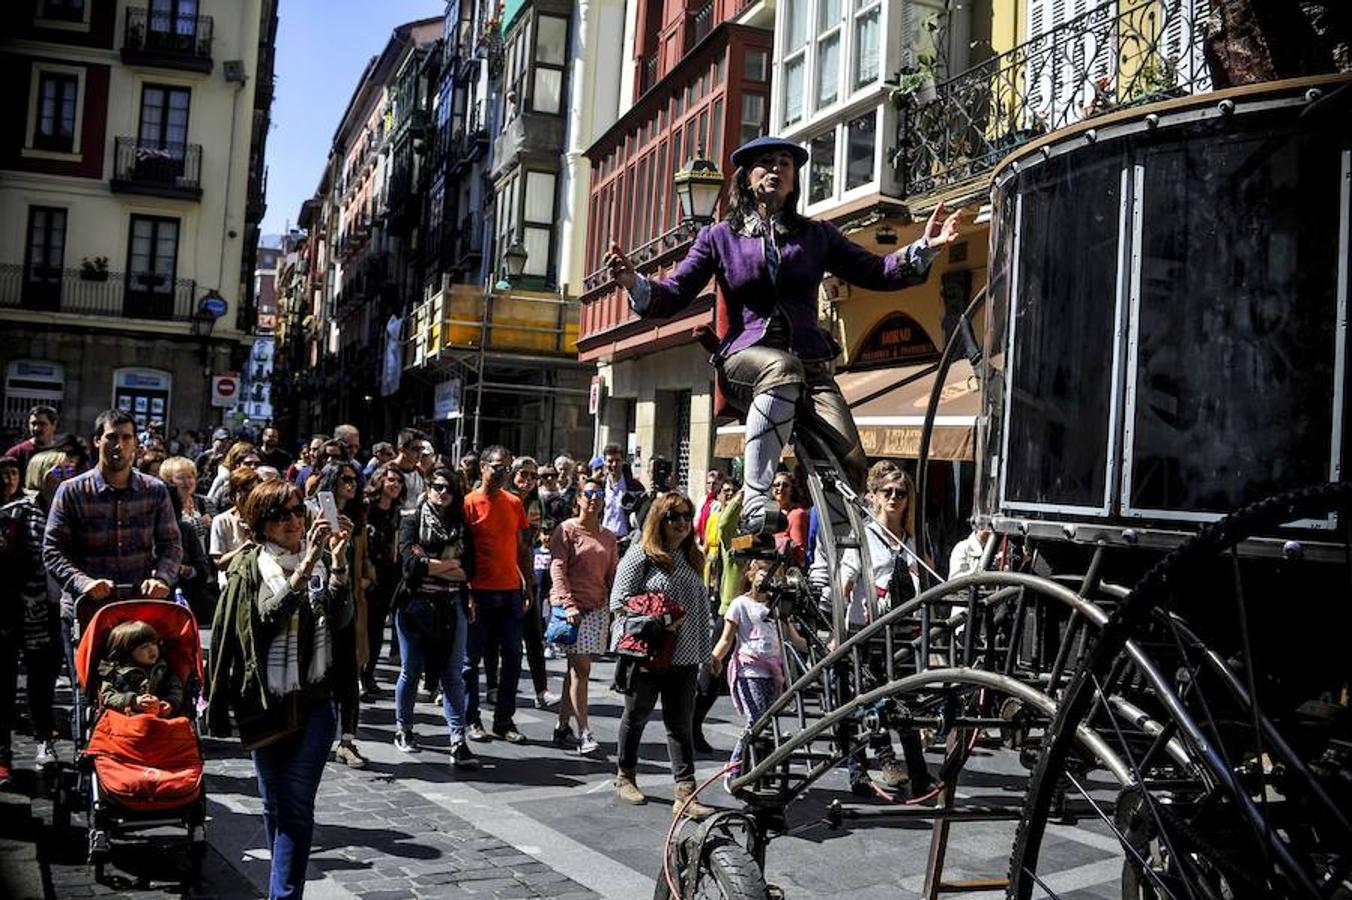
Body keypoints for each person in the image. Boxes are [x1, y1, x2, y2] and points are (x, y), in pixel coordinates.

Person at [605, 135, 962, 542]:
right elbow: (673, 295)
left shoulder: (816, 235)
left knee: (851, 461)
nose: (777, 169)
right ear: (747, 177)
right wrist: (633, 282)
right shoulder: (719, 238)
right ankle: (757, 496)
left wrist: (924, 249)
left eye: (786, 164)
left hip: (808, 365)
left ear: (794, 181)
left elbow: (876, 271)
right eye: (768, 162)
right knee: (781, 368)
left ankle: (832, 566)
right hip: (745, 361)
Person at [206, 479, 351, 900]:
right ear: (260, 524)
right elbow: (263, 619)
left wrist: (336, 567)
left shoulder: (321, 560)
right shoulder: (248, 567)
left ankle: (284, 896)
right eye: (280, 514)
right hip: (265, 701)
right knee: (273, 806)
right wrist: (304, 570)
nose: (293, 520)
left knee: (294, 804)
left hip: (316, 700)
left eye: (297, 511)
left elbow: (340, 622)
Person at [43, 410, 182, 738]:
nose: (118, 445)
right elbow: (52, 550)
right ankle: (91, 747)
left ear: (136, 444)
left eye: (126, 437)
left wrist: (162, 577)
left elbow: (171, 546)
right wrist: (84, 583)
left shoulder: (155, 490)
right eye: (111, 437)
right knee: (91, 687)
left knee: (143, 682)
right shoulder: (72, 492)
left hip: (136, 611)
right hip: (87, 611)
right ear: (97, 441)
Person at [817, 468, 934, 797]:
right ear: (877, 496)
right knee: (863, 704)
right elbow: (844, 584)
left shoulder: (913, 540)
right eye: (888, 492)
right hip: (866, 632)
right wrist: (836, 632)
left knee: (907, 704)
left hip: (904, 632)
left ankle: (919, 775)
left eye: (901, 492)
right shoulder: (864, 537)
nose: (895, 497)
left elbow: (925, 584)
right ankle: (858, 772)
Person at [610, 492, 715, 818]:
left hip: (684, 656)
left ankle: (685, 793)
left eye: (687, 516)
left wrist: (706, 649)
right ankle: (625, 775)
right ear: (660, 519)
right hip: (648, 653)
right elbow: (619, 602)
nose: (682, 523)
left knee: (680, 724)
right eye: (674, 517)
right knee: (637, 714)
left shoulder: (691, 557)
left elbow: (698, 610)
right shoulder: (641, 554)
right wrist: (663, 620)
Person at [392, 468, 478, 768]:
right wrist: (449, 563)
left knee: (453, 674)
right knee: (411, 670)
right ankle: (404, 729)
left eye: (449, 489)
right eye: (437, 486)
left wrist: (430, 562)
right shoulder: (412, 520)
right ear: (428, 488)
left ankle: (458, 739)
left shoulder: (460, 525)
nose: (442, 492)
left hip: (452, 605)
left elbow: (469, 569)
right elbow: (410, 567)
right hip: (414, 606)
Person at [709, 559, 806, 779]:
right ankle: (735, 767)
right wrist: (715, 658)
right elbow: (727, 639)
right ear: (751, 575)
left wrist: (815, 646)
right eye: (762, 572)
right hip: (749, 670)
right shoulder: (739, 604)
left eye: (773, 575)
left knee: (768, 724)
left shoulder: (778, 606)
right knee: (756, 721)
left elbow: (793, 637)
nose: (768, 578)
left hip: (774, 671)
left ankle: (761, 768)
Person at [462, 446, 531, 743]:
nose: (504, 474)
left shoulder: (514, 503)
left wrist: (527, 583)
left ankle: (504, 720)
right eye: (498, 468)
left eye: (508, 469)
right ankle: (471, 718)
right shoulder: (467, 504)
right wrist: (465, 592)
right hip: (478, 592)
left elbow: (521, 546)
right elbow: (461, 552)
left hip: (510, 592)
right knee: (470, 660)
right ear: (482, 467)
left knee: (514, 656)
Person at [549, 475, 619, 755]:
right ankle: (584, 733)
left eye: (599, 494)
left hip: (597, 609)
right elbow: (557, 568)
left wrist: (617, 605)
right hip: (572, 610)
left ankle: (562, 726)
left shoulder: (608, 536)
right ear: (578, 499)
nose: (593, 498)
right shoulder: (566, 530)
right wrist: (567, 605)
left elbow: (613, 573)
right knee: (582, 670)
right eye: (588, 493)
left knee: (574, 672)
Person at [0, 456, 60, 784]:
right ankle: (2, 755)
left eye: (13, 473)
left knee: (40, 683)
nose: (8, 479)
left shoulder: (30, 511)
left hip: (35, 610)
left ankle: (44, 739)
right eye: (3, 473)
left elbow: (43, 557)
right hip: (4, 611)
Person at [316, 460, 371, 769]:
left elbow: (363, 555)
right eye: (345, 479)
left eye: (354, 479)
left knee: (350, 672)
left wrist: (364, 578)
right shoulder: (316, 515)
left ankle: (347, 740)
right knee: (321, 668)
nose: (351, 484)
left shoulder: (357, 517)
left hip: (350, 599)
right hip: (320, 600)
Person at [510, 456, 558, 710]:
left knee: (534, 638)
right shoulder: (505, 499)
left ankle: (541, 690)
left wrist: (528, 582)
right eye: (523, 475)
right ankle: (495, 689)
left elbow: (529, 540)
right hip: (503, 576)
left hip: (526, 575)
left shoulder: (535, 501)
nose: (528, 480)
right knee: (503, 644)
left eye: (532, 476)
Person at [361, 462, 405, 695]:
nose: (396, 485)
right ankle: (358, 675)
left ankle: (369, 675)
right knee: (362, 627)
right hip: (367, 574)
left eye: (399, 481)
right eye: (391, 480)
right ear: (380, 481)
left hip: (388, 576)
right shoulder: (366, 507)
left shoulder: (396, 511)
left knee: (377, 629)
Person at [98, 620, 183, 717]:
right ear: (127, 652)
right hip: (125, 719)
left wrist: (170, 703)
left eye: (154, 643)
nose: (152, 649)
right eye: (144, 646)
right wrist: (132, 701)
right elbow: (107, 695)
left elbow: (175, 689)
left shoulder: (163, 669)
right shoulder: (115, 673)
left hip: (159, 718)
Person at [210, 468, 262, 590]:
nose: (248, 495)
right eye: (243, 490)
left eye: (252, 490)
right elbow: (219, 563)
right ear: (233, 494)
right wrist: (243, 549)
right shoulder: (221, 521)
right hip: (233, 583)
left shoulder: (266, 518)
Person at [600, 443, 642, 545]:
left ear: (623, 462)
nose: (614, 465)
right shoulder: (600, 485)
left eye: (617, 461)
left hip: (625, 541)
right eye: (610, 461)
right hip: (603, 539)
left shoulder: (634, 486)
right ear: (604, 462)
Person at [4, 404, 59, 473]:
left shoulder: (61, 453)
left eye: (42, 424)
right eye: (33, 423)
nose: (36, 428)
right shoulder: (16, 454)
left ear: (54, 425)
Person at [207, 441, 261, 511]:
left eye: (257, 464)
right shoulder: (223, 482)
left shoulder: (261, 484)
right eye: (248, 463)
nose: (253, 467)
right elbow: (209, 506)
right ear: (236, 465)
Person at [771, 470, 809, 564]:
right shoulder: (768, 512)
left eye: (785, 485)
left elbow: (800, 554)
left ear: (791, 490)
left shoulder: (797, 515)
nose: (780, 488)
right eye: (776, 485)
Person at [632, 456, 675, 533]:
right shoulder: (643, 497)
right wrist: (649, 499)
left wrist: (673, 491)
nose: (655, 476)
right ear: (648, 472)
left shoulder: (675, 496)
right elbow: (640, 523)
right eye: (653, 472)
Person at [393, 429, 427, 515]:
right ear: (401, 449)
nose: (420, 453)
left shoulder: (420, 472)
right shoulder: (387, 471)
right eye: (415, 449)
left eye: (421, 449)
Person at [694, 468, 725, 549]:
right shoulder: (702, 500)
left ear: (719, 485)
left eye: (714, 483)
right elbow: (696, 519)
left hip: (710, 542)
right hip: (698, 540)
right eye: (708, 483)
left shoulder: (720, 503)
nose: (711, 486)